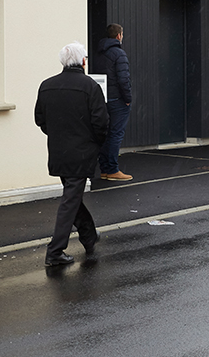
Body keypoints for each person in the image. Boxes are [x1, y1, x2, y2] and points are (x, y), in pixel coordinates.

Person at [35, 42, 109, 267]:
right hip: (82, 151)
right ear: (83, 61)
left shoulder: (47, 85)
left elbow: (40, 119)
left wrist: (59, 136)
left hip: (58, 151)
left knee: (72, 195)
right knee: (70, 200)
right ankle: (55, 251)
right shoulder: (90, 87)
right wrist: (95, 143)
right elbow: (101, 122)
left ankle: (88, 236)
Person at [97, 23, 133, 181]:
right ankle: (112, 169)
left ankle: (104, 168)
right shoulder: (119, 54)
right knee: (116, 134)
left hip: (103, 99)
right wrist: (128, 99)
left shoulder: (99, 53)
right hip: (118, 100)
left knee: (105, 134)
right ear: (119, 36)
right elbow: (124, 79)